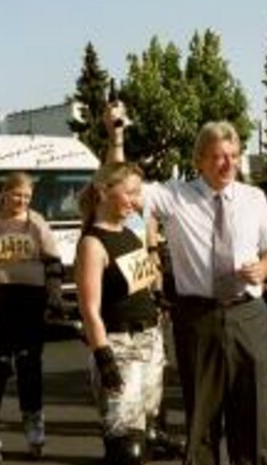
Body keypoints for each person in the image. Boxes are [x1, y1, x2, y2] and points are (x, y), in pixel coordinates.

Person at [105, 101, 267, 465]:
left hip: (248, 314)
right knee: (202, 417)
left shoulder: (254, 198)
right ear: (199, 159)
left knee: (252, 415)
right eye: (218, 156)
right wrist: (116, 136)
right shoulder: (175, 196)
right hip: (198, 317)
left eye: (233, 155)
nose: (228, 163)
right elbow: (120, 183)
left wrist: (263, 270)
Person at [0, 172, 62, 463]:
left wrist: (54, 296)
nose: (22, 201)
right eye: (17, 195)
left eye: (27, 197)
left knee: (30, 363)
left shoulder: (37, 222)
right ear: (4, 193)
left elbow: (53, 261)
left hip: (30, 299)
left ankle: (33, 423)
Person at [75, 162, 169, 463]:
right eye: (129, 192)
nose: (135, 200)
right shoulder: (92, 243)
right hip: (119, 345)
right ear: (104, 192)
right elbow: (89, 308)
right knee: (127, 447)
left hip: (150, 340)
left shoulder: (130, 233)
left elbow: (140, 283)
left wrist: (158, 298)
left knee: (148, 435)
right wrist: (104, 358)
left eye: (138, 193)